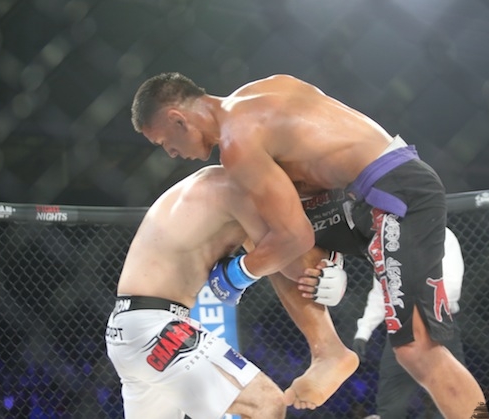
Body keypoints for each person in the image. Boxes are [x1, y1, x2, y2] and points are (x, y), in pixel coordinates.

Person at [130, 72, 486, 418]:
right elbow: (313, 180)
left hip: (391, 191)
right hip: (360, 196)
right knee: (262, 221)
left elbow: (295, 236)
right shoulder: (263, 90)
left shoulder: (237, 142)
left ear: (177, 119)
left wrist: (239, 273)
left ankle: (329, 344)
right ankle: (328, 348)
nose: (171, 153)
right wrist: (326, 259)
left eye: (163, 143)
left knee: (416, 349)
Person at [105, 165, 357, 419]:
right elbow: (294, 258)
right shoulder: (240, 190)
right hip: (157, 330)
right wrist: (330, 263)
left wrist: (329, 265)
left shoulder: (217, 190)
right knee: (265, 403)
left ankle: (329, 350)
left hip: (131, 327)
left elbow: (277, 260)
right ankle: (329, 349)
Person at [352, 227, 468, 419]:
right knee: (390, 402)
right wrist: (363, 332)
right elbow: (381, 292)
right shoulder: (383, 242)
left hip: (436, 321)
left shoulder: (440, 234)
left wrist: (413, 305)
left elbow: (451, 286)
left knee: (453, 393)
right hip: (402, 325)